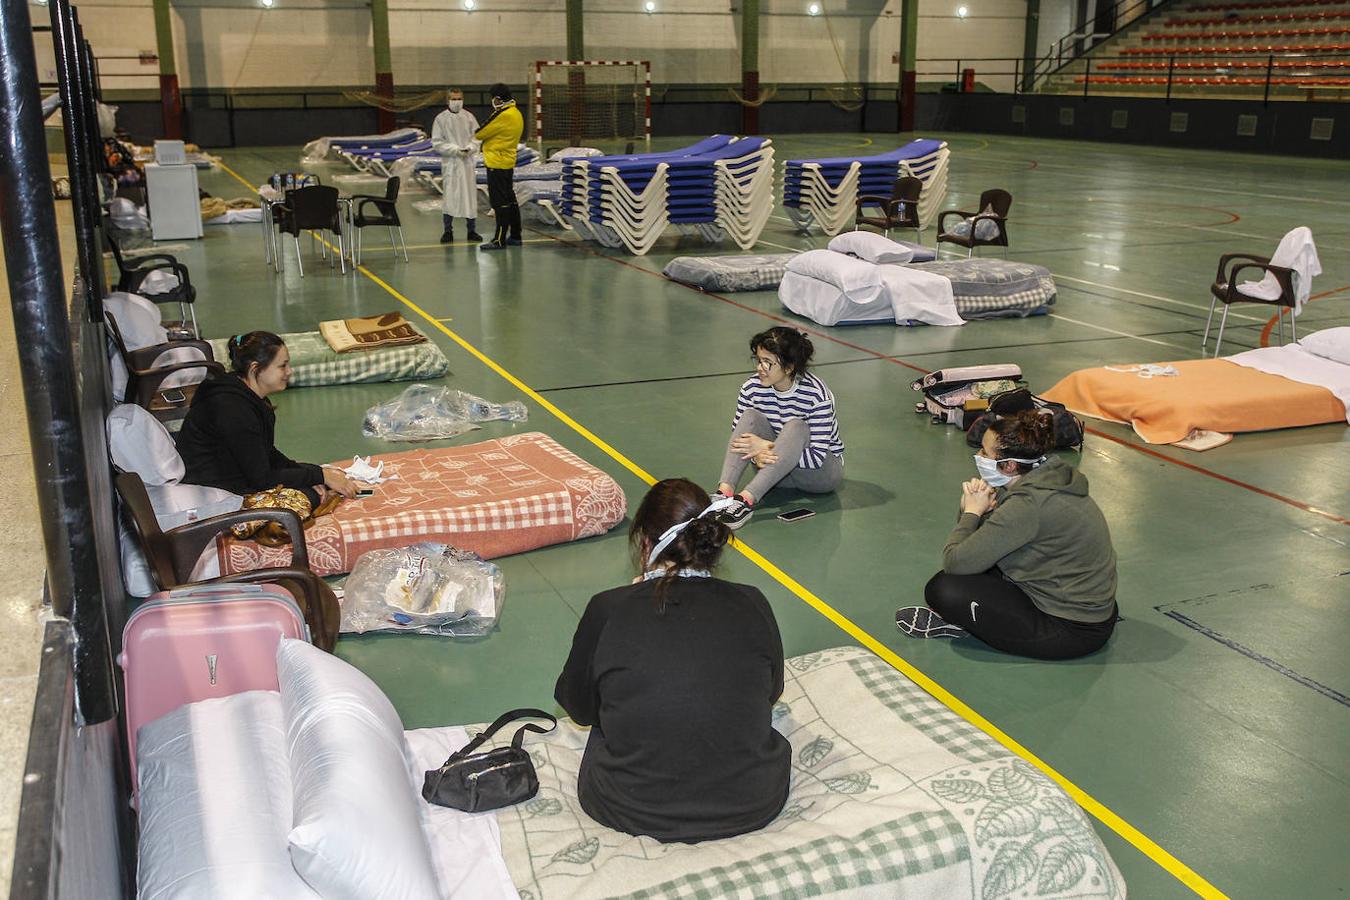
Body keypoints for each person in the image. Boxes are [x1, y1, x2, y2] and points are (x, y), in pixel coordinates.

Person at [554, 478, 791, 843]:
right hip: (751, 802)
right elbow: (771, 692)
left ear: (645, 543)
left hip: (630, 807)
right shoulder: (752, 600)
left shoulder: (608, 608)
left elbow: (581, 709)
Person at [895, 410, 1118, 660]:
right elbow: (982, 544)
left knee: (943, 589)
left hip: (1071, 630)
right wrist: (976, 512)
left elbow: (956, 562)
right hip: (1086, 606)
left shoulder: (1028, 504)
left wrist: (971, 512)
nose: (977, 456)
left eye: (984, 452)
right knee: (978, 567)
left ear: (1009, 465)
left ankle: (964, 625)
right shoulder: (1046, 477)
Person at [176, 331, 356, 506]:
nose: (289, 371)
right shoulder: (232, 409)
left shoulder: (248, 397)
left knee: (318, 483)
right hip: (213, 492)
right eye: (282, 366)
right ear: (256, 369)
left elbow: (266, 454)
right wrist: (319, 476)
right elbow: (262, 478)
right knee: (309, 497)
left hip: (237, 474)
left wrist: (316, 473)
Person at [714, 327, 844, 529]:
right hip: (776, 475)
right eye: (759, 360)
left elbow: (817, 458)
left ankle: (746, 501)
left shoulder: (817, 395)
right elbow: (739, 437)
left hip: (819, 475)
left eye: (768, 363)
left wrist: (763, 448)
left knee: (796, 426)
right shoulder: (751, 388)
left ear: (789, 367)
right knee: (750, 417)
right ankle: (724, 493)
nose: (760, 368)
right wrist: (760, 450)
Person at [473, 82, 524, 251]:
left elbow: (480, 133)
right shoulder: (516, 113)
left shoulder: (503, 114)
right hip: (508, 162)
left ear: (497, 99)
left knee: (500, 202)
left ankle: (499, 239)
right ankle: (516, 235)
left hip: (496, 163)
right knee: (510, 200)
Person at [429, 88, 481, 244]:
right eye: (454, 98)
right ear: (448, 100)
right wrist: (455, 150)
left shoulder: (469, 117)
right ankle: (447, 231)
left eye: (459, 98)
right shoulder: (441, 119)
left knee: (469, 197)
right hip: (451, 163)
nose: (457, 101)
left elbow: (477, 137)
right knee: (450, 197)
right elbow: (437, 142)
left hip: (467, 163)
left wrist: (470, 148)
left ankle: (471, 230)